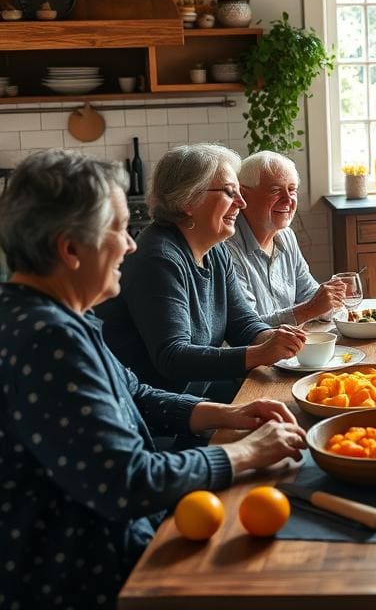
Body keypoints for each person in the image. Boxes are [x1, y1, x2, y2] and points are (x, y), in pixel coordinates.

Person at [0, 150, 307, 609]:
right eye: (119, 229)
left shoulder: (55, 318)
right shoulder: (49, 338)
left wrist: (227, 414)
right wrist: (243, 452)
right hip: (87, 578)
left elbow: (136, 392)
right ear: (69, 248)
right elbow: (128, 480)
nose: (130, 246)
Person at [97, 144, 305, 400]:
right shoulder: (158, 258)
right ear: (188, 199)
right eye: (230, 192)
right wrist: (261, 353)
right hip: (162, 411)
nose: (241, 202)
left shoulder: (214, 249)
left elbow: (242, 323)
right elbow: (173, 358)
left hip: (199, 394)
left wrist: (278, 339)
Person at [226, 151, 345, 326]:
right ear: (244, 195)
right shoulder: (227, 248)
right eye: (275, 190)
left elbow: (308, 291)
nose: (288, 200)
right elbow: (246, 328)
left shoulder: (286, 236)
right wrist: (310, 309)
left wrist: (330, 301)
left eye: (292, 190)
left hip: (290, 346)